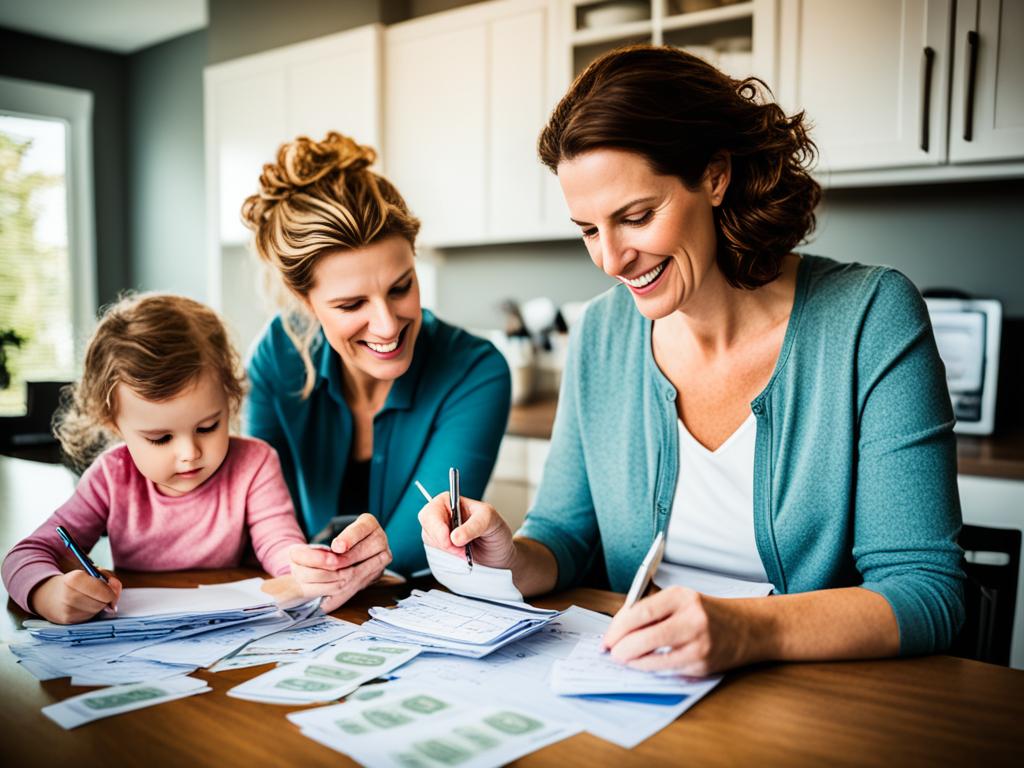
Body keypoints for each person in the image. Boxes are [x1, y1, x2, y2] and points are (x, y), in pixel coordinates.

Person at [420, 45, 964, 676]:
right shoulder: (600, 332)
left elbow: (927, 591)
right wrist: (508, 556)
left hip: (813, 699)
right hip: (642, 681)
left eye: (636, 216)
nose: (611, 260)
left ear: (714, 175)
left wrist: (743, 629)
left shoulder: (869, 316)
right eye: (589, 230)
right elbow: (564, 537)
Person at [242, 131, 511, 608]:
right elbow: (258, 513)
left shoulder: (477, 372)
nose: (387, 325)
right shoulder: (276, 357)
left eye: (401, 286)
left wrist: (309, 569)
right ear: (305, 302)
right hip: (303, 615)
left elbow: (413, 546)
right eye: (350, 304)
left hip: (412, 618)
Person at [1, 294, 307, 624]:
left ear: (229, 398)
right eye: (160, 438)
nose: (190, 453)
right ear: (113, 423)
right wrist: (48, 593)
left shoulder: (255, 463)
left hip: (236, 631)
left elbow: (281, 546)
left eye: (208, 427)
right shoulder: (111, 476)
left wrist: (308, 567)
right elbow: (23, 557)